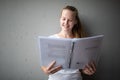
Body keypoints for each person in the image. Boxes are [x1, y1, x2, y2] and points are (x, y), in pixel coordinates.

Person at [41, 5, 96, 80]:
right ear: (60, 19)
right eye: (63, 19)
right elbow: (44, 65)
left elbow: (82, 67)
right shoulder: (50, 39)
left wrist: (87, 71)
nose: (66, 23)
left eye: (70, 20)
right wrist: (46, 71)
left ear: (75, 21)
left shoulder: (80, 41)